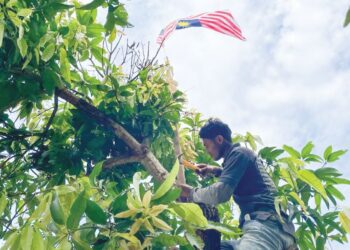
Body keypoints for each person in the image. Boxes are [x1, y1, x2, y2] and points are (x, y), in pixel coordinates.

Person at [178, 118, 298, 250]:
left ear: (219, 139)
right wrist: (214, 171)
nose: (206, 150)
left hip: (267, 226)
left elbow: (220, 193)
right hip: (265, 228)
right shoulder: (239, 156)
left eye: (206, 145)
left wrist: (190, 193)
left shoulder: (239, 154)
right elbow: (241, 177)